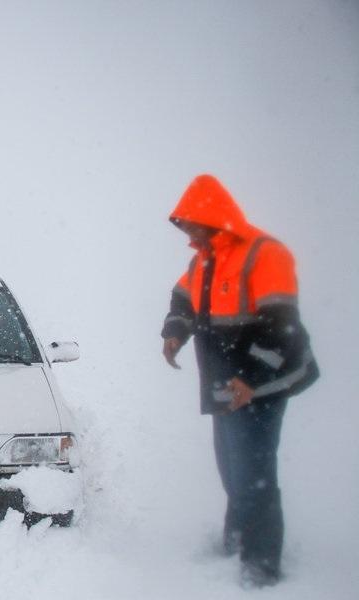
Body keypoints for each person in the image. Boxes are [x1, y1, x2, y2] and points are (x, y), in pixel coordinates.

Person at [160, 174, 319, 587]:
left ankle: (261, 565)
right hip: (224, 380)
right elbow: (183, 298)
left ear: (212, 218)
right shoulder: (204, 261)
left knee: (254, 472)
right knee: (231, 467)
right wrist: (175, 332)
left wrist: (250, 378)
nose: (187, 232)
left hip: (262, 384)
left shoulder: (264, 254)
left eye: (190, 223)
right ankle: (235, 538)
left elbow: (281, 328)